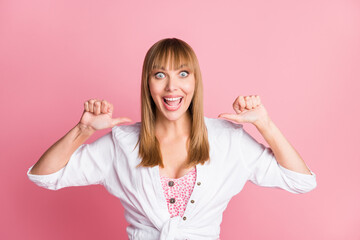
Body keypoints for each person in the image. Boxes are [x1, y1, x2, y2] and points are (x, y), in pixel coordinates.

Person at [27, 38, 317, 240]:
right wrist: (83, 130)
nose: (172, 86)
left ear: (194, 81)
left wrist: (264, 124)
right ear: (148, 83)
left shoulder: (228, 140)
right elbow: (44, 176)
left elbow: (300, 180)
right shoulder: (123, 144)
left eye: (182, 73)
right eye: (159, 75)